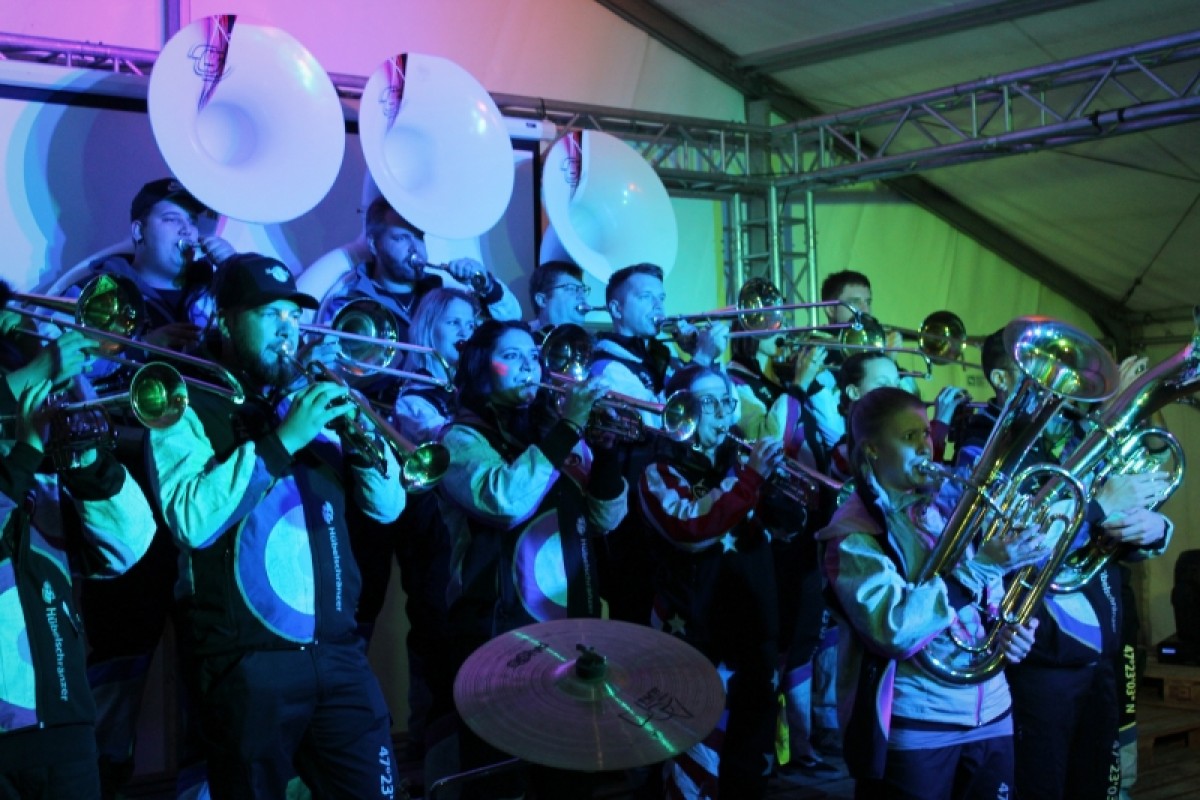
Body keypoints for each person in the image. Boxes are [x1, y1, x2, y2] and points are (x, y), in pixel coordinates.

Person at [146, 253, 406, 800]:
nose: (288, 330)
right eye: (269, 315)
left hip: (338, 652)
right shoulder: (181, 401)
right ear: (225, 321)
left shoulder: (311, 399)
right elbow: (191, 518)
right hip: (245, 662)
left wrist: (357, 431)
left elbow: (388, 507)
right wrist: (284, 439)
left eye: (294, 315)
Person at [55, 177, 237, 799]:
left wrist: (230, 274)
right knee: (119, 660)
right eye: (171, 219)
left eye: (195, 221)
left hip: (202, 494)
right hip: (127, 495)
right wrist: (142, 351)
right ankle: (99, 784)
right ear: (137, 229)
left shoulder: (214, 292)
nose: (188, 231)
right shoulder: (97, 289)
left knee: (210, 664)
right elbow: (68, 380)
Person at [963, 329, 1173, 799]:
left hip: (1099, 650)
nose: (1056, 382)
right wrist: (1098, 505)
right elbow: (1017, 540)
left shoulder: (1068, 433)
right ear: (1002, 379)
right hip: (1042, 658)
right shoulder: (983, 443)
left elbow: (1113, 527)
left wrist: (1153, 529)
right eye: (1037, 370)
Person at [433, 319, 627, 797]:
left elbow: (605, 519)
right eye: (512, 356)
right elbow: (504, 501)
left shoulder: (549, 433)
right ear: (480, 369)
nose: (529, 367)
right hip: (499, 636)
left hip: (572, 629)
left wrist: (606, 455)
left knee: (570, 778)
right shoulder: (458, 440)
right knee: (504, 781)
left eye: (532, 357)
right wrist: (568, 428)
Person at [816, 386, 1041, 799]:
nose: (927, 446)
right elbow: (892, 629)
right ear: (871, 451)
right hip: (919, 724)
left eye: (925, 433)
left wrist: (1008, 629)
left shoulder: (946, 508)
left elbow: (984, 600)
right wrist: (983, 567)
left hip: (993, 712)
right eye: (909, 437)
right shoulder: (854, 534)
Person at [0, 334, 155, 798]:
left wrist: (88, 463)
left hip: (65, 726)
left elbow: (128, 548)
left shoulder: (41, 477)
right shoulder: (24, 461)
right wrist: (25, 450)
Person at [638, 363, 789, 798]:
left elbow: (790, 527)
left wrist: (775, 488)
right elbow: (689, 528)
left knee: (750, 767)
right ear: (681, 409)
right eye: (710, 403)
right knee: (693, 772)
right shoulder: (660, 471)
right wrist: (750, 480)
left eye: (727, 402)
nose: (723, 413)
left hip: (753, 635)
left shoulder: (740, 466)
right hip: (695, 637)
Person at [349, 287, 478, 761]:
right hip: (431, 536)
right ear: (428, 329)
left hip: (468, 535)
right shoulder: (414, 396)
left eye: (471, 324)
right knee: (435, 644)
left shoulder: (471, 389)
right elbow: (445, 450)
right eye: (454, 324)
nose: (466, 333)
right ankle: (431, 759)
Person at [589, 262, 728, 627]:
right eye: (646, 297)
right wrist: (699, 360)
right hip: (631, 516)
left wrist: (703, 362)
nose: (659, 307)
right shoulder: (606, 366)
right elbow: (658, 422)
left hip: (665, 502)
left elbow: (721, 415)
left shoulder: (656, 359)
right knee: (636, 616)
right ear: (616, 309)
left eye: (661, 298)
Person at [315, 196, 520, 342]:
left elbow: (513, 323)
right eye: (401, 238)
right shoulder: (349, 301)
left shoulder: (443, 293)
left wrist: (487, 285)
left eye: (419, 237)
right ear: (373, 244)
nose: (415, 248)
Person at [528, 259, 590, 340]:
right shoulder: (522, 340)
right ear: (542, 300)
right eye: (571, 288)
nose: (582, 295)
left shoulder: (594, 343)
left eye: (583, 290)